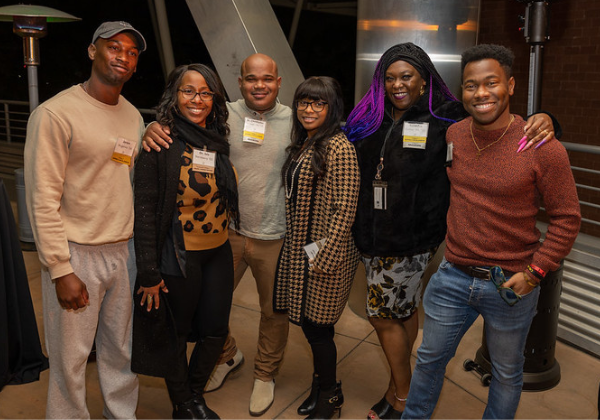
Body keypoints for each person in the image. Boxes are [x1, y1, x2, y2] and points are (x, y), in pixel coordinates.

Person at [343, 42, 559, 420]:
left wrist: (546, 116)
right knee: (421, 346)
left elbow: (502, 122)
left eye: (407, 76)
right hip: (398, 250)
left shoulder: (447, 120)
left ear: (425, 81)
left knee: (386, 317)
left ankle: (400, 393)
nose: (398, 84)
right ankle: (402, 394)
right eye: (390, 78)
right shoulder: (372, 119)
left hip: (419, 245)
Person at [401, 44, 581, 419]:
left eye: (491, 83)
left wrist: (535, 274)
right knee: (429, 360)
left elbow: (567, 218)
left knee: (505, 373)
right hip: (452, 276)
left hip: (510, 285)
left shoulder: (542, 147)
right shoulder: (454, 135)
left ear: (511, 85)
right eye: (471, 85)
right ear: (462, 90)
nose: (481, 93)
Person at [142, 53, 292, 417]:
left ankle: (253, 378)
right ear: (239, 83)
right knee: (195, 324)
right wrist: (149, 127)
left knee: (256, 315)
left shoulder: (290, 121)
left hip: (265, 237)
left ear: (278, 82)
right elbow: (147, 204)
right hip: (216, 240)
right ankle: (198, 388)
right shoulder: (202, 125)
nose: (260, 85)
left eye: (267, 78)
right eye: (251, 79)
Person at [23, 21, 146, 419]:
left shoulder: (131, 116)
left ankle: (120, 415)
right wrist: (60, 269)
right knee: (70, 360)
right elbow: (42, 198)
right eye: (114, 47)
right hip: (77, 254)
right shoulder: (55, 114)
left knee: (120, 352)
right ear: (93, 51)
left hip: (122, 251)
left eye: (131, 52)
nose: (123, 57)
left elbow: (124, 178)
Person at [132, 63, 239, 420]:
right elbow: (145, 211)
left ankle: (191, 394)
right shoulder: (161, 141)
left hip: (219, 251)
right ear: (174, 96)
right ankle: (184, 403)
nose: (198, 99)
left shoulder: (217, 137)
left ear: (215, 98)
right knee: (176, 333)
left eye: (206, 92)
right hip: (180, 255)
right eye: (189, 91)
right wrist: (148, 271)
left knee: (215, 331)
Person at [273, 76, 360, 420]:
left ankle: (329, 396)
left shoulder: (339, 147)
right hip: (305, 250)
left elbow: (346, 209)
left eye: (318, 103)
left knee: (317, 329)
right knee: (314, 327)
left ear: (331, 108)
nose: (308, 109)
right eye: (303, 102)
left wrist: (323, 259)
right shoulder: (307, 142)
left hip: (326, 256)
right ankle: (321, 386)